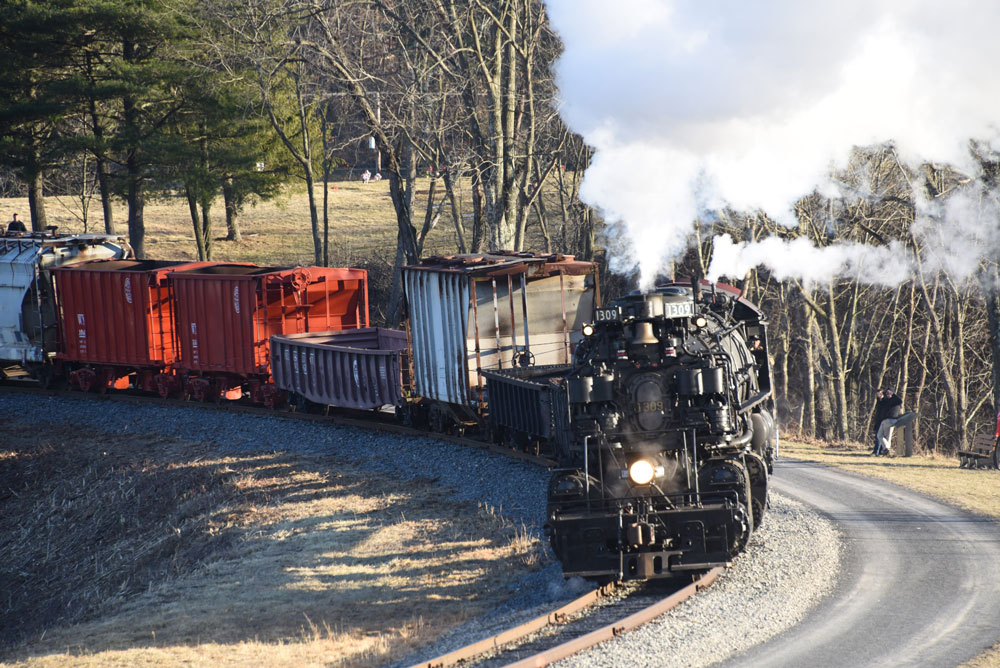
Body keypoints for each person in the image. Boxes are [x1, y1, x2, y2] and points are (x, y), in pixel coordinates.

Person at [875, 389, 903, 456]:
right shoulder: (887, 401)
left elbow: (900, 401)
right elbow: (880, 405)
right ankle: (886, 449)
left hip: (891, 420)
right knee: (879, 435)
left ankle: (886, 450)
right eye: (887, 393)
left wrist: (893, 394)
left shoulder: (895, 401)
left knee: (887, 436)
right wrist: (880, 397)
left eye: (889, 393)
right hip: (884, 420)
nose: (888, 395)